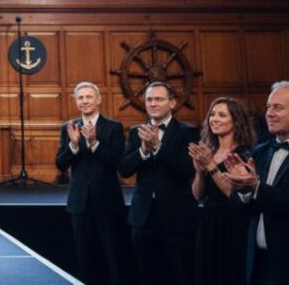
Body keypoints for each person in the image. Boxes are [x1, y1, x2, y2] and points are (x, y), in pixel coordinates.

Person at [118, 82, 199, 285]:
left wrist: (158, 147)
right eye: (149, 99)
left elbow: (187, 169)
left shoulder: (187, 132)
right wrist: (144, 151)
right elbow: (125, 169)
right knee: (147, 275)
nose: (153, 104)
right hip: (143, 217)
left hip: (177, 217)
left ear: (172, 103)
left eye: (159, 99)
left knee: (180, 275)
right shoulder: (137, 131)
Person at [55, 82, 126, 285]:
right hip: (79, 203)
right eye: (80, 98)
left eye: (88, 97)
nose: (84, 101)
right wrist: (74, 144)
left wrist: (94, 142)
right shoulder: (69, 128)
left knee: (113, 257)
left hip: (107, 202)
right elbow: (60, 163)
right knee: (85, 258)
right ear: (76, 101)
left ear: (98, 100)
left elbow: (117, 161)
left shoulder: (113, 127)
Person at [226, 80, 289, 285]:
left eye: (278, 108)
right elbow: (238, 208)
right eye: (268, 107)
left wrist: (256, 187)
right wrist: (243, 189)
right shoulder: (260, 151)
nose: (269, 113)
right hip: (258, 261)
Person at [188, 96, 255, 285]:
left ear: (236, 121)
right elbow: (198, 195)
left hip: (233, 222)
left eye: (222, 115)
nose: (214, 119)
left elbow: (232, 194)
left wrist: (210, 165)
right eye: (212, 114)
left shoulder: (244, 153)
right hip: (209, 220)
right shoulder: (210, 150)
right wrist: (200, 172)